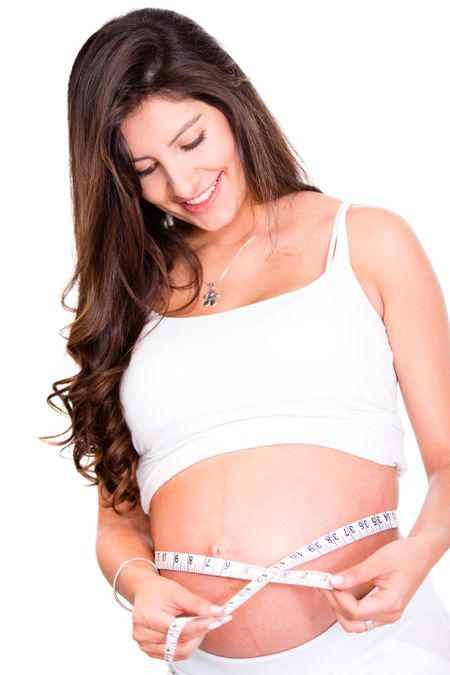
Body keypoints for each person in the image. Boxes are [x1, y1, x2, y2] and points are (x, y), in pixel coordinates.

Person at [47, 7, 450, 674]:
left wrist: (424, 547)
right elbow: (117, 523)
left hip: (379, 648)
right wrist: (140, 585)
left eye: (192, 140)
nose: (181, 185)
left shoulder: (367, 241)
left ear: (231, 99)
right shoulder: (128, 300)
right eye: (145, 167)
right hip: (204, 665)